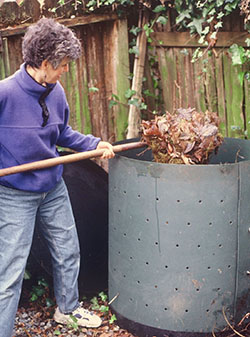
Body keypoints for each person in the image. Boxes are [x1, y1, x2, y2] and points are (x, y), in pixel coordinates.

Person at [0, 17, 115, 337]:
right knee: (9, 271)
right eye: (63, 64)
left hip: (53, 187)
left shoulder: (56, 90)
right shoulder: (5, 94)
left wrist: (93, 144)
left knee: (68, 250)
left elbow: (62, 132)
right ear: (45, 63)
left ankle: (67, 309)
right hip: (14, 193)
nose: (66, 69)